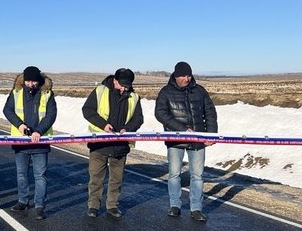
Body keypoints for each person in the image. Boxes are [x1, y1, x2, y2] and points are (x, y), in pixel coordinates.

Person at [154, 61, 218, 222]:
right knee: (174, 173)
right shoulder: (166, 92)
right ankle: (175, 205)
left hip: (198, 140)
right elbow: (160, 113)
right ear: (176, 76)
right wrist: (181, 128)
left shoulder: (200, 91)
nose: (186, 78)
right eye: (183, 75)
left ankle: (196, 208)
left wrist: (211, 135)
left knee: (197, 175)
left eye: (189, 75)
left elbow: (210, 112)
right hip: (176, 140)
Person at [81, 68, 143, 219]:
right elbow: (87, 110)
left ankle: (112, 205)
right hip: (99, 143)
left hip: (120, 145)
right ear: (115, 80)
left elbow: (138, 118)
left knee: (117, 178)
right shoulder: (100, 91)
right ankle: (93, 206)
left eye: (127, 86)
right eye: (122, 84)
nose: (124, 88)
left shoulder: (134, 97)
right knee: (96, 177)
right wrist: (103, 125)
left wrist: (127, 129)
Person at [3, 66, 57, 220]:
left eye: (34, 81)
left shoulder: (47, 94)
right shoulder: (16, 92)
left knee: (40, 175)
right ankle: (23, 201)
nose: (31, 84)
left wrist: (39, 131)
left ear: (39, 81)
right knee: (21, 174)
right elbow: (8, 110)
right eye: (28, 80)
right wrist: (19, 124)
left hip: (40, 142)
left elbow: (51, 115)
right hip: (21, 142)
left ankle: (39, 205)